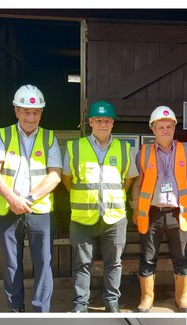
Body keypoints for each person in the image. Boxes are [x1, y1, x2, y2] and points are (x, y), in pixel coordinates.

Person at [0, 84, 62, 313]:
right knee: (11, 263)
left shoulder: (49, 137)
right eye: (26, 111)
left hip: (38, 211)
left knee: (43, 262)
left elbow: (55, 175)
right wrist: (12, 199)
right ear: (16, 111)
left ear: (41, 113)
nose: (31, 116)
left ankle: (41, 310)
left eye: (36, 112)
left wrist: (27, 199)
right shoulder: (2, 134)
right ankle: (16, 308)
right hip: (7, 209)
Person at [63, 100, 137, 312]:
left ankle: (111, 303)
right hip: (82, 219)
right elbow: (67, 179)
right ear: (90, 122)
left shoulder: (124, 149)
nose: (102, 124)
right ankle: (80, 305)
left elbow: (129, 180)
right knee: (82, 264)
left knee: (114, 264)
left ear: (112, 123)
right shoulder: (75, 147)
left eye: (107, 120)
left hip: (114, 219)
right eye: (98, 120)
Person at [131, 105, 187, 313]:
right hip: (152, 213)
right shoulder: (143, 153)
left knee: (181, 256)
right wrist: (135, 208)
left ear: (174, 128)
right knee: (148, 256)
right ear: (153, 129)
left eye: (169, 126)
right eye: (161, 127)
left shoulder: (186, 150)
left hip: (179, 213)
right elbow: (137, 183)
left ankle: (182, 297)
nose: (166, 130)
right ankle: (147, 297)